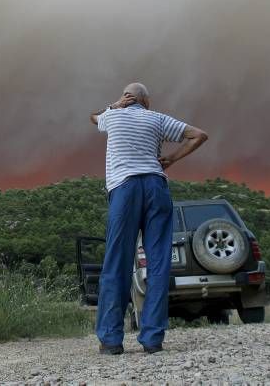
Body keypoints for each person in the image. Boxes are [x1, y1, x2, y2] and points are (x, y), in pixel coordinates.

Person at [90, 82, 208, 354]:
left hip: (125, 188)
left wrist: (113, 104)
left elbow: (93, 117)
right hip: (156, 187)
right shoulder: (157, 118)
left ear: (126, 98)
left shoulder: (113, 115)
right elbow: (199, 135)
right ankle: (153, 339)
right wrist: (172, 159)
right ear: (146, 101)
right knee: (158, 264)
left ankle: (111, 340)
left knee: (117, 262)